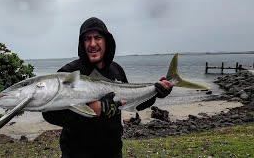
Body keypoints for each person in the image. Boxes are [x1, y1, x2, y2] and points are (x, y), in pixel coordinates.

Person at [42, 17, 173, 158]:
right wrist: (95, 109)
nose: (92, 44)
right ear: (81, 43)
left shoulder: (116, 70)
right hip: (76, 153)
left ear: (106, 41)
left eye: (97, 37)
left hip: (113, 152)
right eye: (87, 39)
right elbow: (49, 113)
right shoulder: (70, 73)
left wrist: (156, 93)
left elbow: (132, 103)